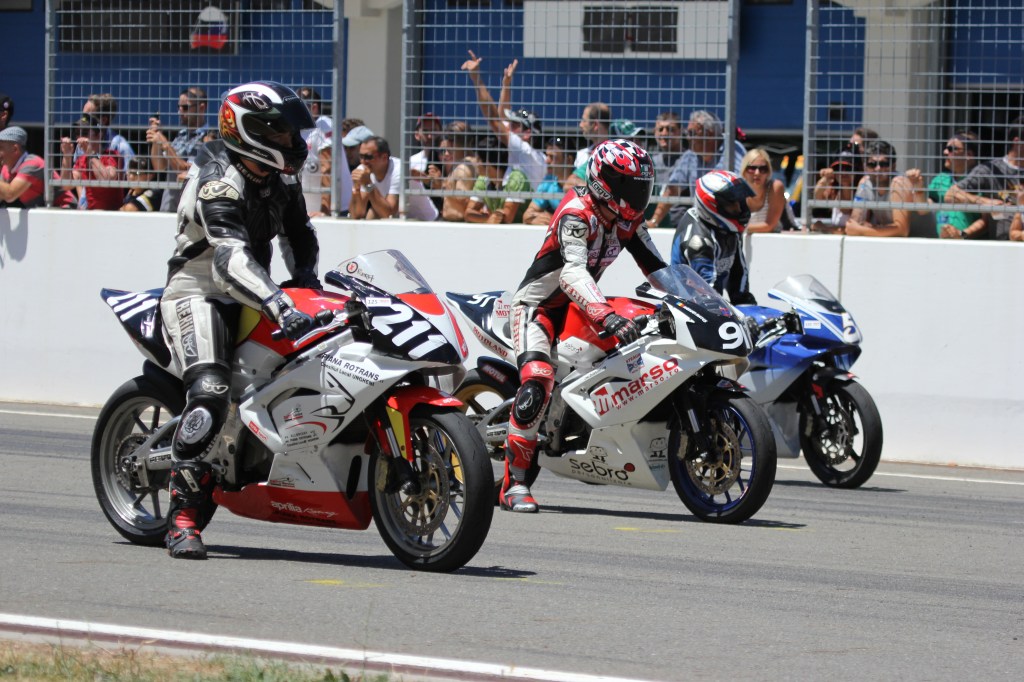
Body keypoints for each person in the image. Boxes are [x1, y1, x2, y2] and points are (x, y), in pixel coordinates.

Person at [159, 80, 320, 560]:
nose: (294, 142)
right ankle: (183, 519)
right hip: (199, 292)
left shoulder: (282, 179)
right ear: (252, 133)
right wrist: (279, 302)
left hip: (257, 294)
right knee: (210, 392)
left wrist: (306, 284)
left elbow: (300, 236)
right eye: (283, 133)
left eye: (293, 133)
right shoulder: (216, 181)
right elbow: (229, 259)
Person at [500, 139, 666, 512]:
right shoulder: (576, 214)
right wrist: (605, 314)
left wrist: (698, 301)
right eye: (631, 186)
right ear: (604, 182)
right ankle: (514, 486)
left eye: (643, 186)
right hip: (539, 308)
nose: (639, 195)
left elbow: (659, 269)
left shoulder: (627, 220)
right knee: (538, 380)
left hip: (581, 307)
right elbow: (571, 273)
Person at [461, 50, 546, 191]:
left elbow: (495, 120)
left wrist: (477, 79)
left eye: (514, 124)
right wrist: (506, 85)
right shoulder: (535, 155)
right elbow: (501, 118)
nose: (508, 125)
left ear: (527, 133)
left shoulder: (525, 152)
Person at [649, 110, 747, 230]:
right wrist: (654, 221)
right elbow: (672, 189)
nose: (688, 137)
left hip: (730, 223)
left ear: (709, 134)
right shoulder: (690, 155)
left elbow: (742, 187)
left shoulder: (733, 150)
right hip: (700, 224)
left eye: (691, 133)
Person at [670, 170, 756, 302]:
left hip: (711, 306)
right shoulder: (698, 241)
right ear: (713, 204)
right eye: (732, 203)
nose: (739, 209)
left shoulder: (729, 230)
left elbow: (738, 278)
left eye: (740, 202)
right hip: (687, 307)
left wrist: (748, 307)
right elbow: (707, 294)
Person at [945, 117, 1023, 241]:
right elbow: (951, 194)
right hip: (1001, 246)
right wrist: (986, 202)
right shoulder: (990, 169)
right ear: (1017, 142)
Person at [147, 86, 212, 211]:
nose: (180, 112)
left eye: (185, 107)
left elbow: (185, 171)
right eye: (179, 107)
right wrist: (156, 141)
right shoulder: (180, 136)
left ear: (202, 107)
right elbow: (160, 167)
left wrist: (165, 144)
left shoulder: (209, 139)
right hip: (169, 207)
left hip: (190, 213)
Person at [845, 140, 921, 238]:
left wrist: (862, 230)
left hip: (926, 240)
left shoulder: (899, 183)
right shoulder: (865, 183)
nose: (878, 169)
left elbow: (902, 230)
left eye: (884, 164)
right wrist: (860, 228)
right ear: (865, 166)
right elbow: (853, 224)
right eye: (872, 164)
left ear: (893, 166)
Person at [58, 114, 124, 211]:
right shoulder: (82, 159)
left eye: (84, 132)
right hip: (91, 216)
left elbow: (106, 179)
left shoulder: (112, 155)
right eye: (77, 133)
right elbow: (66, 185)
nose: (80, 137)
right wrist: (67, 156)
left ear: (98, 134)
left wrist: (91, 154)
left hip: (112, 216)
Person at [927, 131, 984, 239]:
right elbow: (924, 207)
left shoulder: (982, 182)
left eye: (951, 149)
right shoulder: (940, 179)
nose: (945, 152)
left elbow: (987, 221)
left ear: (969, 155)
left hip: (971, 246)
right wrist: (917, 188)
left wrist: (961, 234)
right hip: (941, 243)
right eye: (946, 148)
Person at [296, 86, 341, 217]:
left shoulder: (323, 126)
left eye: (300, 105)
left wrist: (325, 210)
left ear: (314, 107)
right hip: (305, 210)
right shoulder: (299, 130)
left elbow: (328, 168)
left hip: (325, 210)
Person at [465, 135, 529, 224]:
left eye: (477, 158)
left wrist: (483, 217)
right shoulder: (483, 178)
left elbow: (506, 218)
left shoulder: (516, 178)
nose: (474, 161)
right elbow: (468, 214)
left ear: (487, 163)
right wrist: (488, 219)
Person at [523, 136, 575, 226]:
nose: (546, 161)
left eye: (552, 157)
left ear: (569, 160)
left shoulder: (581, 181)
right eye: (547, 155)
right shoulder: (548, 181)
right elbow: (527, 215)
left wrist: (554, 219)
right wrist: (535, 219)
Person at [811, 145, 863, 232]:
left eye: (848, 168)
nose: (843, 172)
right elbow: (817, 197)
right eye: (838, 168)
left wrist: (824, 228)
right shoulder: (834, 189)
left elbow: (846, 229)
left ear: (857, 170)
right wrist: (825, 179)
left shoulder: (862, 191)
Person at [349, 135, 400, 220]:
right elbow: (357, 214)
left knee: (374, 212)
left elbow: (389, 215)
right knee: (372, 212)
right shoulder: (363, 169)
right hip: (397, 221)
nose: (363, 161)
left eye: (368, 157)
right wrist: (356, 188)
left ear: (384, 157)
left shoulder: (398, 170)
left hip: (420, 220)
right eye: (361, 156)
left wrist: (368, 183)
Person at [80, 93, 135, 172]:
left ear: (104, 120)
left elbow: (132, 179)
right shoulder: (82, 143)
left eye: (87, 117)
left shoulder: (120, 146)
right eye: (83, 116)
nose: (82, 121)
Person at [438, 120, 480, 222]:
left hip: (459, 224)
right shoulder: (463, 163)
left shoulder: (464, 168)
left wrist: (441, 186)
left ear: (452, 142)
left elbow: (465, 200)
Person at [740, 148, 787, 234]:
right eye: (752, 168)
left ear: (768, 172)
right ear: (744, 172)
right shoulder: (738, 191)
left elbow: (769, 226)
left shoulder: (775, 187)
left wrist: (737, 227)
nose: (757, 173)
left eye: (763, 169)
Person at [406, 113, 442, 221]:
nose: (430, 135)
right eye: (426, 131)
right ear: (417, 135)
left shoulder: (447, 159)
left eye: (434, 131)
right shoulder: (411, 161)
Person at [0, 126, 45, 209]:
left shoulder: (32, 164)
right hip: (41, 214)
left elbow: (10, 195)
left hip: (64, 211)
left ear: (15, 149)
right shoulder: (6, 167)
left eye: (1, 147)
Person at [574, 102, 612, 170]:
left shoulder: (613, 155)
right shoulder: (581, 155)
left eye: (584, 120)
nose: (580, 125)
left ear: (595, 125)